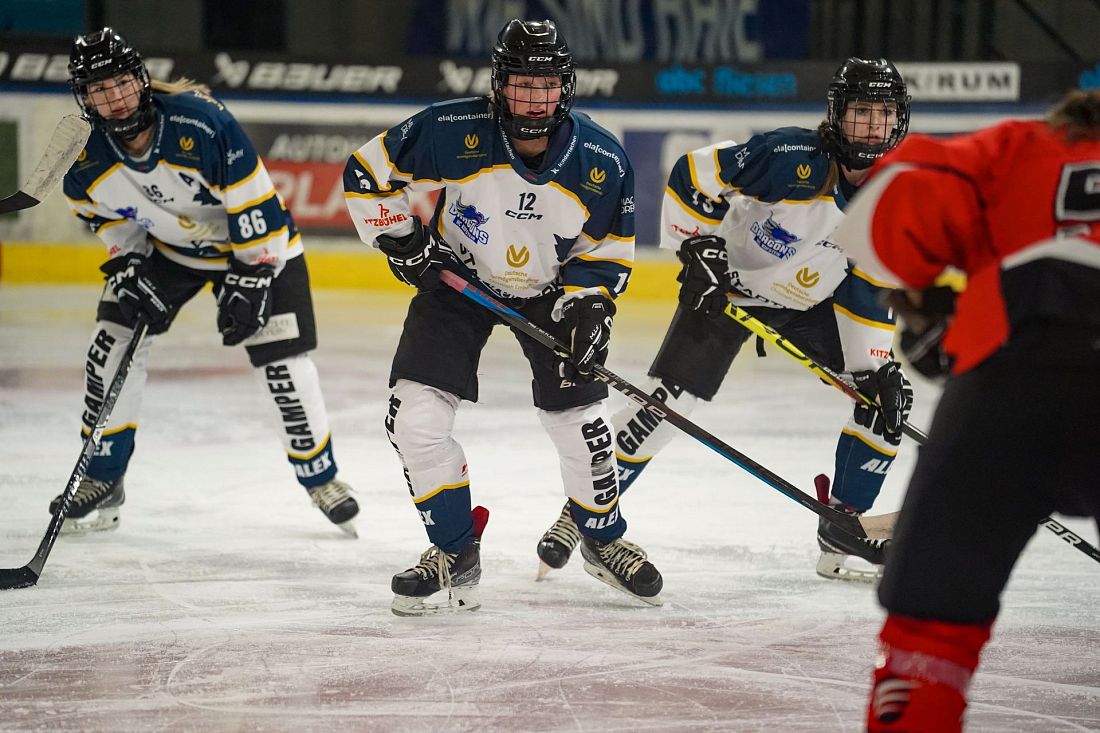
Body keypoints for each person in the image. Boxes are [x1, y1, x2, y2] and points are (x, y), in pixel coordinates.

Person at [536, 58, 914, 583]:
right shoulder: (789, 156)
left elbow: (870, 286)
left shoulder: (895, 197)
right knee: (664, 409)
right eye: (860, 112)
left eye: (883, 113)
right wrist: (701, 249)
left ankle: (843, 524)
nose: (872, 125)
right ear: (837, 114)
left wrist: (872, 364)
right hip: (725, 289)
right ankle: (586, 510)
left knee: (885, 401)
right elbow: (692, 175)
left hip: (806, 305)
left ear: (900, 121)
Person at [343, 18, 661, 615]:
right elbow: (366, 174)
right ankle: (454, 549)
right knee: (413, 421)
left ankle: (602, 539)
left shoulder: (601, 159)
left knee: (582, 424)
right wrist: (404, 241)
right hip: (457, 280)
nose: (533, 99)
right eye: (521, 84)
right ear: (498, 85)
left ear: (565, 89)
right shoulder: (453, 128)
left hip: (550, 291)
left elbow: (606, 252)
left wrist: (591, 308)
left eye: (545, 86)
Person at [829, 90, 1100, 731]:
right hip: (1011, 377)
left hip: (1007, 385)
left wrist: (926, 300)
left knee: (929, 630)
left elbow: (881, 219)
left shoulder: (1017, 147)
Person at [58, 28, 359, 536]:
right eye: (99, 89)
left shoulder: (200, 123)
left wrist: (253, 277)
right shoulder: (84, 154)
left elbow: (255, 202)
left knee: (282, 362)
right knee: (109, 347)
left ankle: (321, 477)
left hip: (259, 249)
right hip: (169, 254)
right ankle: (103, 476)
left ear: (141, 80)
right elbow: (100, 213)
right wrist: (128, 262)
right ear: (84, 98)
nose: (114, 98)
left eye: (122, 84)